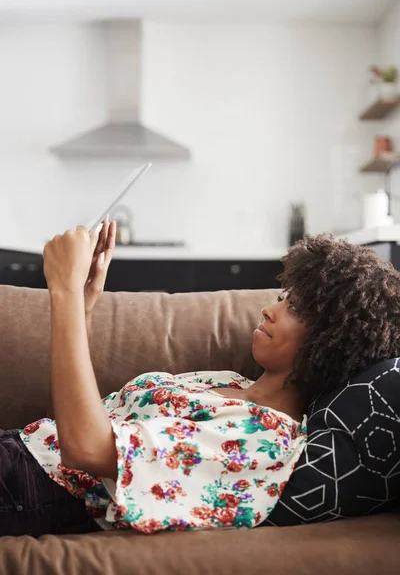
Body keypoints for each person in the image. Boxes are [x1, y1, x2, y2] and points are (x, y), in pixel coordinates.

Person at [1, 220, 400, 537]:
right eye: (282, 296)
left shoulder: (265, 440)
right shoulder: (226, 382)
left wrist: (65, 293)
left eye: (294, 307)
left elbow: (87, 451)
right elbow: (68, 423)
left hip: (27, 487)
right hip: (21, 447)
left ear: (331, 341)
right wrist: (84, 305)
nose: (268, 310)